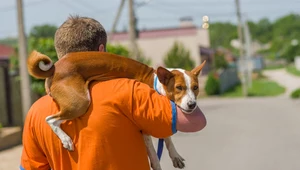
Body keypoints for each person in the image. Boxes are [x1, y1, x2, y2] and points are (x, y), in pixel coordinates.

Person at [20, 15, 206, 170]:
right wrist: (183, 79)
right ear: (102, 51)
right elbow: (195, 122)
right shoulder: (130, 90)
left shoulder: (36, 112)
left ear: (60, 54)